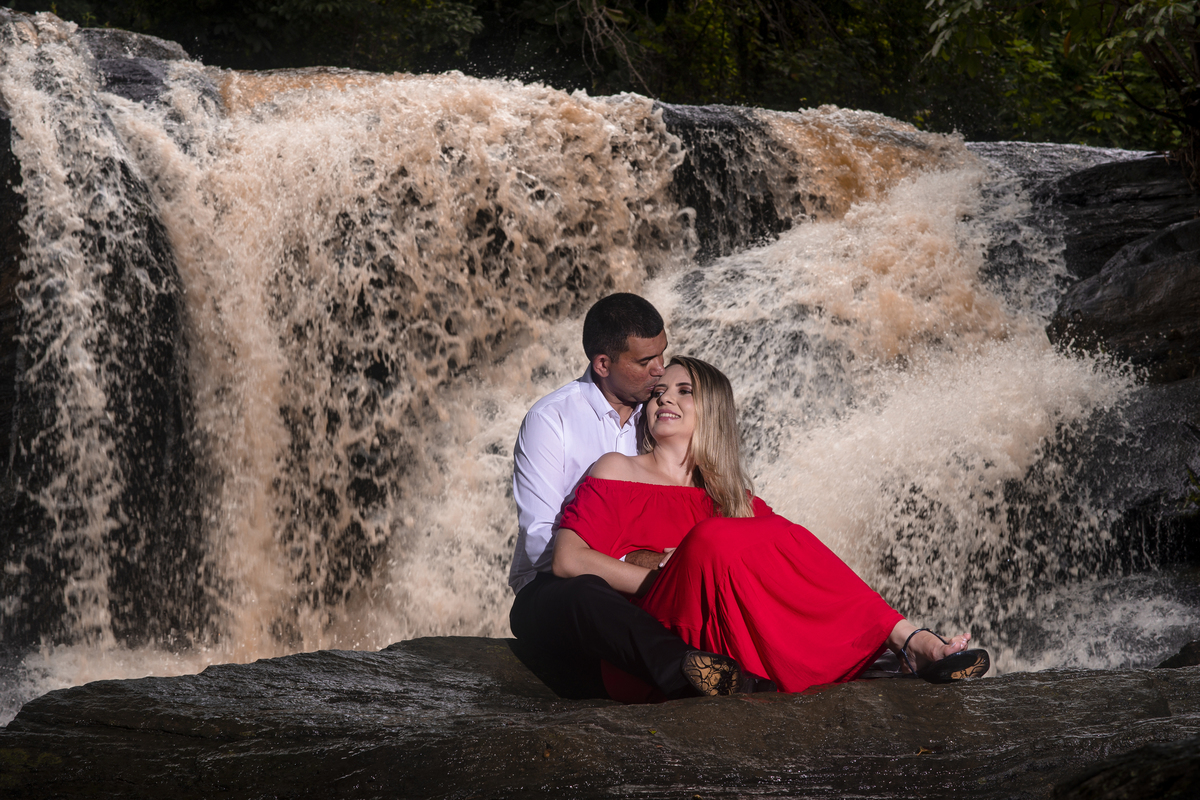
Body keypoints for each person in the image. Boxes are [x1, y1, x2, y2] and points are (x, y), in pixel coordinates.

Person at [551, 355, 990, 698]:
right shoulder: (617, 469)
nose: (665, 399)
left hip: (723, 648)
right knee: (713, 537)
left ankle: (907, 639)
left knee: (788, 536)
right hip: (656, 639)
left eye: (685, 391)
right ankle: (909, 645)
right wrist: (665, 574)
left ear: (713, 411)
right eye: (659, 392)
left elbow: (797, 569)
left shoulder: (733, 499)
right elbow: (568, 561)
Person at [508, 294, 772, 699]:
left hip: (649, 594)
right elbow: (543, 542)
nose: (659, 369)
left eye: (662, 354)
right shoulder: (551, 420)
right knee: (585, 591)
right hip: (555, 594)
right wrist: (637, 561)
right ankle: (692, 672)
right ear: (603, 364)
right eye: (645, 362)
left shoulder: (661, 414)